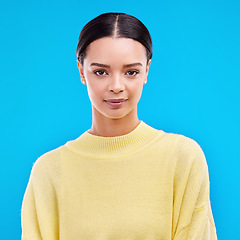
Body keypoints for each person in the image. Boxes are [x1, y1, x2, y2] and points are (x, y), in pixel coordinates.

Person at [21, 12, 217, 239]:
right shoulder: (49, 171)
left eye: (131, 72)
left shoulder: (183, 158)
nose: (116, 86)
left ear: (147, 71)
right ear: (81, 71)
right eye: (101, 72)